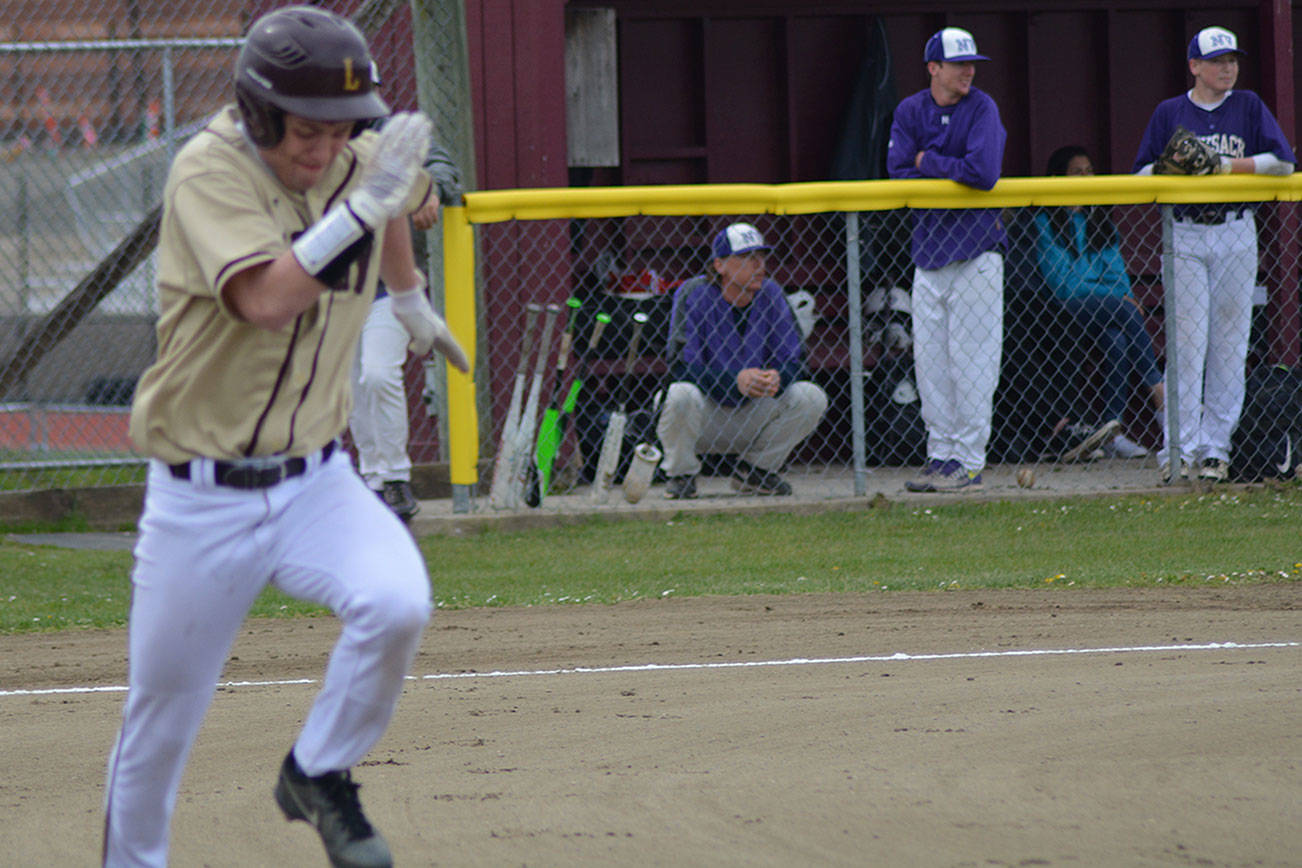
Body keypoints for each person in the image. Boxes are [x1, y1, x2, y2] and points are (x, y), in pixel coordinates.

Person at [102, 7, 469, 868]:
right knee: (160, 724)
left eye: (342, 129)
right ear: (262, 115)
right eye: (307, 130)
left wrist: (409, 298)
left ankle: (317, 768)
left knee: (397, 601)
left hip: (314, 481)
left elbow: (389, 201)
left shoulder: (356, 161)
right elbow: (268, 297)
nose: (325, 148)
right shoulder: (209, 169)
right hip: (202, 495)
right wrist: (363, 205)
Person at [1132, 26, 1296, 482]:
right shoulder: (1170, 112)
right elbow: (1141, 173)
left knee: (1229, 344)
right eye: (1218, 60)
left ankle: (1215, 451)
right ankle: (1177, 450)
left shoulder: (1248, 106)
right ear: (1194, 66)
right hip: (1182, 233)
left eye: (1232, 59)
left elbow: (1283, 162)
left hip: (1235, 231)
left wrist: (1225, 165)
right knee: (1185, 345)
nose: (1228, 67)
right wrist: (1173, 170)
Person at [887, 27, 1007, 492]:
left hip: (977, 249)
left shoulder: (982, 107)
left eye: (971, 63)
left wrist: (927, 160)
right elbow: (896, 170)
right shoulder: (911, 109)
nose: (969, 71)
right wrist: (937, 163)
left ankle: (969, 460)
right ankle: (941, 455)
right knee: (931, 363)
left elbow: (983, 172)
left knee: (972, 360)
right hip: (929, 249)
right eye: (958, 64)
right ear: (933, 68)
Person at [657, 222, 827, 499]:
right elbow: (681, 368)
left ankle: (755, 472)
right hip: (706, 415)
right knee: (679, 395)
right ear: (720, 265)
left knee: (810, 396)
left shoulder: (771, 293)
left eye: (761, 257)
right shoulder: (693, 293)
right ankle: (682, 476)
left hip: (754, 412)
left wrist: (777, 377)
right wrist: (734, 381)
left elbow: (796, 361)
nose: (758, 265)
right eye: (747, 258)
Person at [350, 144, 462, 522]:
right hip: (337, 291)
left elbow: (441, 164)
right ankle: (373, 480)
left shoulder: (386, 135)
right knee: (352, 387)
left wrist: (428, 190)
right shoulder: (308, 143)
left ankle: (396, 477)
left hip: (390, 289)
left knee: (378, 373)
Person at [1035, 145, 1165, 460]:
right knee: (1123, 308)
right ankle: (1159, 392)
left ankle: (1112, 431)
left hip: (1101, 310)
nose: (1086, 177)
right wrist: (1110, 294)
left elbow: (1119, 279)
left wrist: (1108, 292)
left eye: (1090, 171)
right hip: (1060, 312)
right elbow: (1063, 286)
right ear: (1058, 178)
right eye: (1077, 171)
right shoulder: (1045, 222)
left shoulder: (1100, 223)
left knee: (1117, 338)